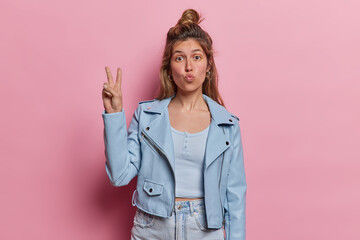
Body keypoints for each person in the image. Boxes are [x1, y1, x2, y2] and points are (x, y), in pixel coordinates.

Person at [101, 9, 246, 240]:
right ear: (169, 68)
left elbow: (235, 195)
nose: (189, 66)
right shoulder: (147, 116)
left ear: (208, 65)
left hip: (206, 229)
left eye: (196, 57)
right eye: (179, 58)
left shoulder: (227, 124)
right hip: (152, 227)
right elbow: (119, 175)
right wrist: (114, 114)